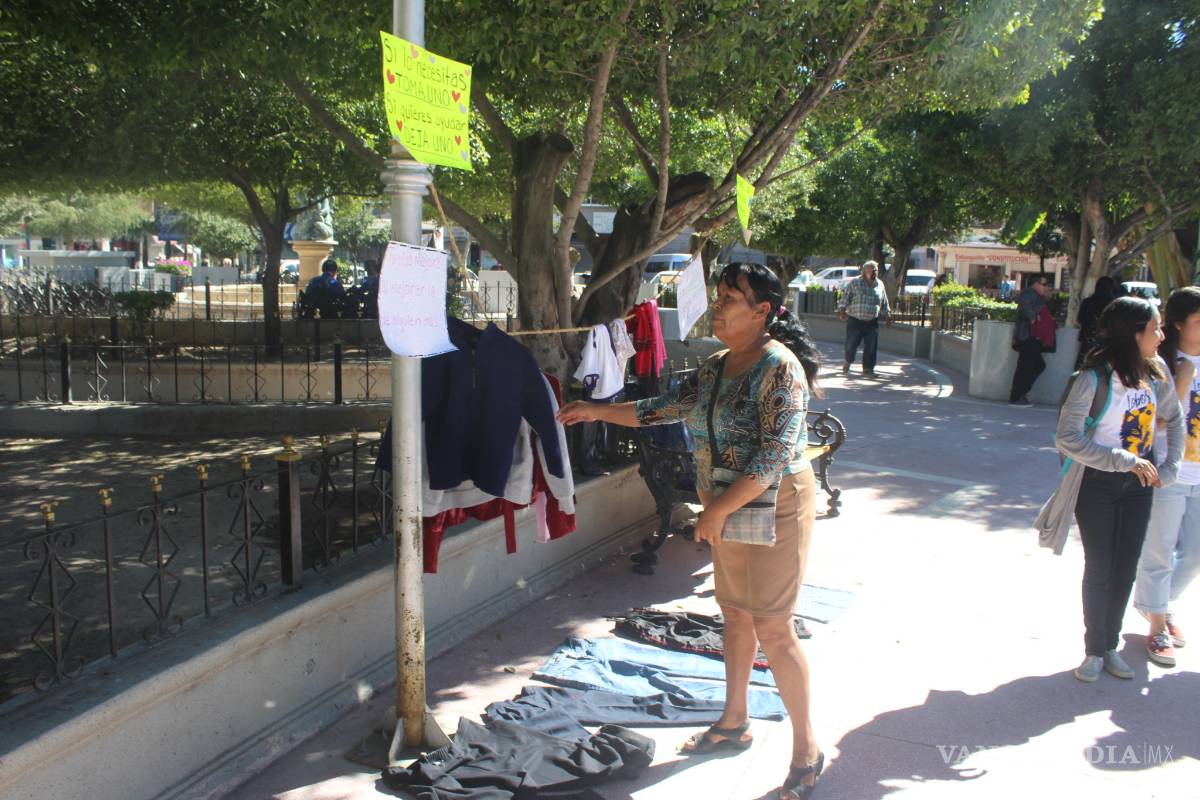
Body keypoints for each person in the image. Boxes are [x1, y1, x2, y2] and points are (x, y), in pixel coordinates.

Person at [558, 263, 825, 799]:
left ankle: (807, 752)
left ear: (763, 312)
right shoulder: (718, 365)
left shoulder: (780, 367)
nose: (719, 305)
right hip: (727, 502)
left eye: (731, 297)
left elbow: (773, 457)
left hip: (773, 504)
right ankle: (733, 723)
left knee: (774, 629)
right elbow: (661, 408)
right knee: (735, 617)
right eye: (720, 295)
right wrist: (595, 410)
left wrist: (716, 511)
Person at [1055, 297, 1184, 682]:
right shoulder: (1092, 378)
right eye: (1156, 328)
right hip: (1097, 483)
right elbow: (1068, 438)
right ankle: (1094, 650)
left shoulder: (1156, 371)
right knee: (1101, 568)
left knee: (1126, 568)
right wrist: (1125, 461)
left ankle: (1110, 646)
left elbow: (1175, 421)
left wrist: (1171, 465)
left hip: (1140, 486)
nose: (1162, 336)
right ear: (1135, 334)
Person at [1134, 287, 1200, 667]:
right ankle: (1158, 624)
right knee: (1159, 552)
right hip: (1168, 470)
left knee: (1194, 553)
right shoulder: (1160, 364)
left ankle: (1154, 604)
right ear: (1178, 323)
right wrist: (1183, 382)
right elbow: (1153, 421)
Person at [1008, 273, 1056, 406]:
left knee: (1036, 365)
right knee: (1026, 367)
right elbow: (1024, 305)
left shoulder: (1038, 297)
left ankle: (1020, 394)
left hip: (1034, 337)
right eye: (1044, 284)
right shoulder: (1028, 293)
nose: (1046, 287)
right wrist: (1032, 317)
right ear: (1035, 284)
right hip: (1028, 336)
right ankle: (1017, 397)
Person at [837, 259, 890, 378]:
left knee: (871, 346)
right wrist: (842, 311)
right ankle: (848, 361)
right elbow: (846, 298)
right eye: (871, 270)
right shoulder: (855, 282)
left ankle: (868, 369)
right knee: (851, 345)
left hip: (872, 321)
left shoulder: (879, 284)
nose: (873, 272)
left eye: (875, 270)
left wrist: (887, 315)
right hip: (855, 320)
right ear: (864, 271)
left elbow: (884, 301)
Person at [1075, 276, 1118, 369]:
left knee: (1082, 366)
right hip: (1105, 341)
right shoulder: (1113, 304)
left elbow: (1080, 319)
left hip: (1087, 338)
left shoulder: (1087, 302)